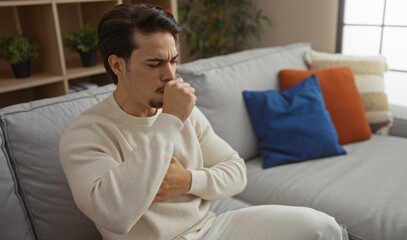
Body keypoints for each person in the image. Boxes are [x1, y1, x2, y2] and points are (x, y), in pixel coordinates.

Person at [59, 3, 345, 240]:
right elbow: (115, 215)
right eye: (155, 64)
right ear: (118, 65)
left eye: (173, 61)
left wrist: (188, 181)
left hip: (211, 229)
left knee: (322, 227)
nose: (170, 75)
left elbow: (236, 173)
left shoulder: (185, 111)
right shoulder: (87, 134)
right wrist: (169, 120)